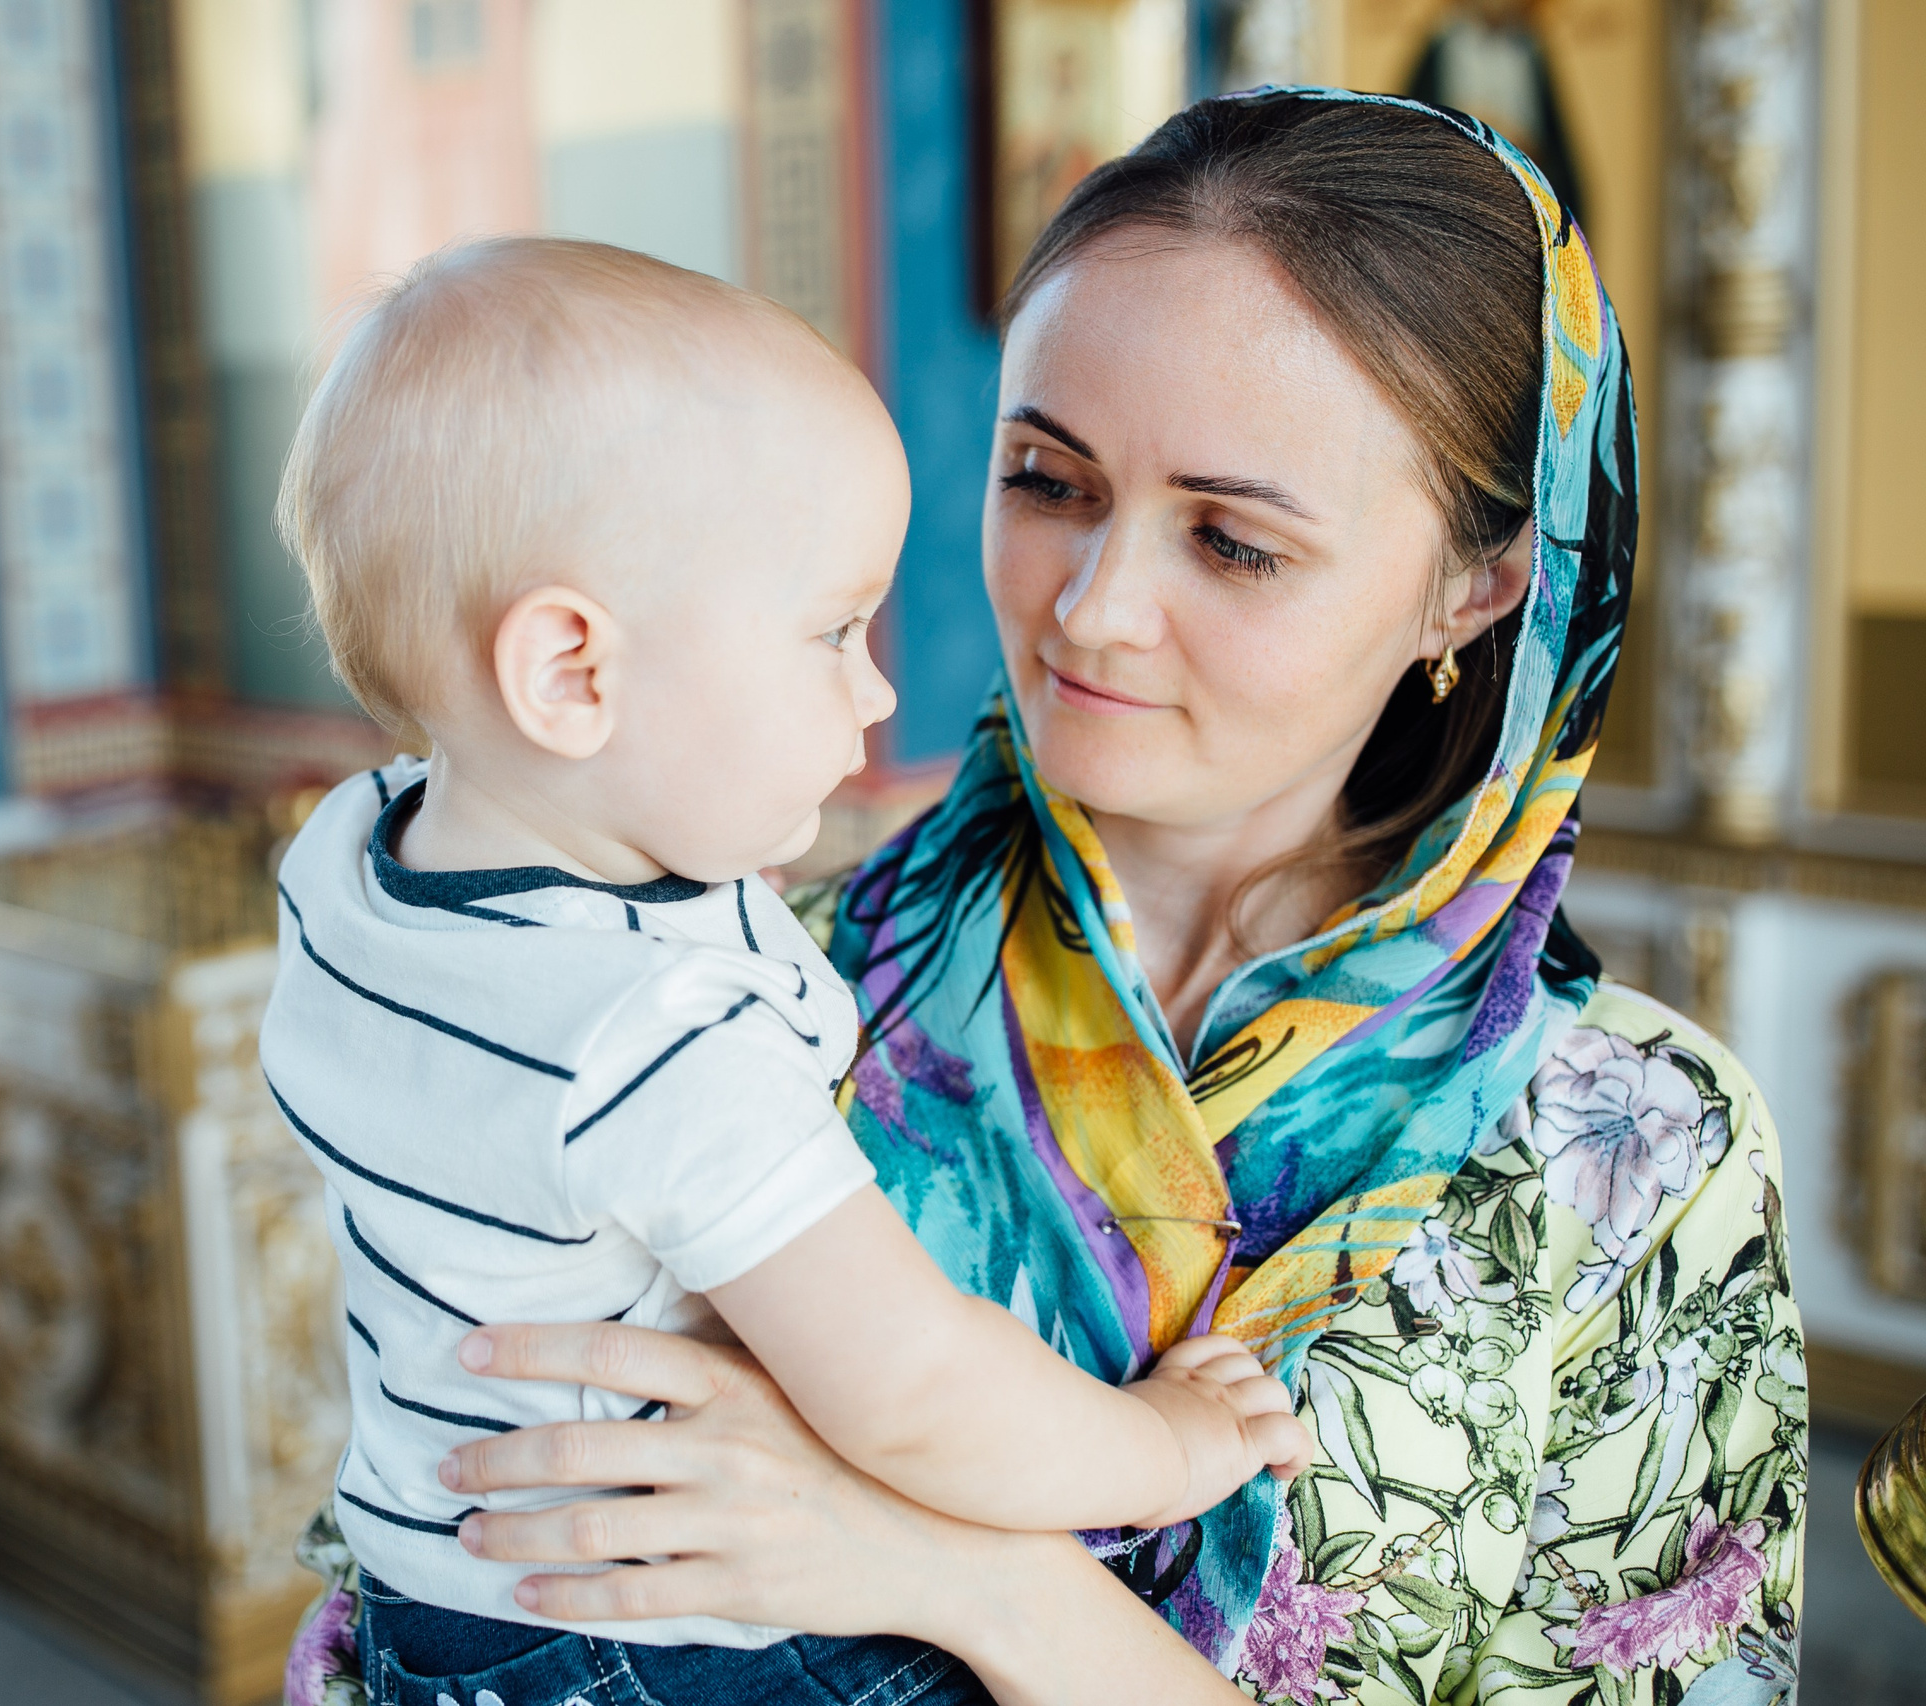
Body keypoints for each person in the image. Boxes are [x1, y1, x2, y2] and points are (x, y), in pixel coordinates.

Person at [285, 90, 1807, 1706]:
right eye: (1048, 478)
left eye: (1230, 541)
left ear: (1479, 581)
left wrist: (956, 1571)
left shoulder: (1639, 1152)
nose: (1093, 608)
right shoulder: (764, 974)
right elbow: (438, 1539)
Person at [263, 233, 1314, 1706]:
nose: (879, 689)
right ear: (573, 672)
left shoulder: (347, 866)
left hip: (425, 1611)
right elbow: (913, 1390)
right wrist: (1173, 1445)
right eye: (831, 630)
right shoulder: (660, 1037)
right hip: (642, 1639)